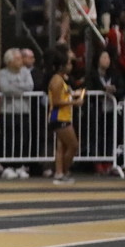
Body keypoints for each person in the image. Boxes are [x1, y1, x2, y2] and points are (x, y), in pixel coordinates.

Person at [46, 47, 84, 185]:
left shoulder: (60, 80)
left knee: (61, 147)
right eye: (68, 64)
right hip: (59, 117)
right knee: (73, 145)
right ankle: (63, 171)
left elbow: (62, 97)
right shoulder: (57, 80)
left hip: (63, 116)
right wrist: (74, 102)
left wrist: (72, 95)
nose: (70, 66)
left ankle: (59, 172)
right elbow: (56, 101)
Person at [0, 48, 34, 178]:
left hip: (24, 111)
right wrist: (20, 88)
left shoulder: (26, 72)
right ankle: (8, 166)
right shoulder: (2, 73)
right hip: (8, 111)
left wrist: (14, 86)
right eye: (17, 59)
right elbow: (5, 89)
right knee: (8, 139)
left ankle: (20, 166)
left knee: (22, 139)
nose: (21, 61)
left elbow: (30, 86)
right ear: (9, 61)